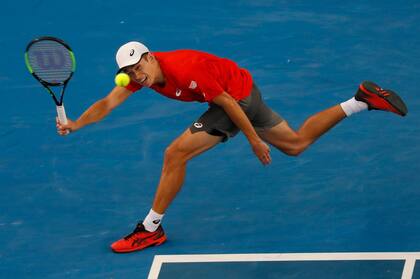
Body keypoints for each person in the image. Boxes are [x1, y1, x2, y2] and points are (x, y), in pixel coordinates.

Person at [56, 41, 408, 253]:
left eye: (138, 68)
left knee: (174, 154)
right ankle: (361, 100)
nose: (136, 77)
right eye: (129, 73)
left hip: (236, 100)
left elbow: (227, 104)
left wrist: (254, 141)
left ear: (150, 58)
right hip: (244, 88)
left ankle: (150, 229)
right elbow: (107, 103)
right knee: (297, 144)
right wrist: (76, 123)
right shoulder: (143, 77)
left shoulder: (184, 69)